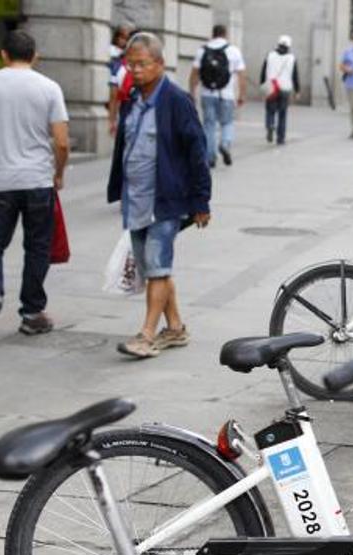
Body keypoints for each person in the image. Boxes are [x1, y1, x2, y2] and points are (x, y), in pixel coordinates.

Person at [108, 33, 211, 359]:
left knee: (157, 266)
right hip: (136, 200)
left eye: (142, 64)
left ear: (159, 64)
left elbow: (197, 151)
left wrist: (200, 201)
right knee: (155, 268)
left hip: (167, 200)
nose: (136, 70)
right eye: (131, 64)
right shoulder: (132, 101)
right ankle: (176, 328)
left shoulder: (177, 101)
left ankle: (147, 335)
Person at [0, 30, 69, 336]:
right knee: (37, 247)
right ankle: (32, 312)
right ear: (35, 55)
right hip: (38, 179)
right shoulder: (49, 87)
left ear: (3, 54)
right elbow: (62, 142)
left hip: (0, 180)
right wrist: (59, 173)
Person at [190, 24, 245, 168]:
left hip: (207, 93)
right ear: (225, 34)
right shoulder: (234, 51)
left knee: (209, 125)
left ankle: (210, 157)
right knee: (227, 122)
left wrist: (192, 92)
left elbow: (194, 74)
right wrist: (241, 95)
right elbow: (241, 76)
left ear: (212, 34)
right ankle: (225, 144)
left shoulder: (202, 50)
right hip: (227, 95)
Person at [259, 35, 299, 145]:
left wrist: (262, 85)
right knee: (282, 114)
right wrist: (297, 90)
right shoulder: (292, 58)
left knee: (270, 110)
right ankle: (280, 138)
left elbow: (263, 71)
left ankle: (270, 125)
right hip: (285, 88)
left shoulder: (270, 55)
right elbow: (295, 75)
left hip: (271, 87)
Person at [106, 22, 136, 135]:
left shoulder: (121, 64)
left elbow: (114, 95)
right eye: (121, 37)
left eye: (127, 38)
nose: (123, 41)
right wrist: (112, 119)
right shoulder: (114, 59)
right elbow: (113, 95)